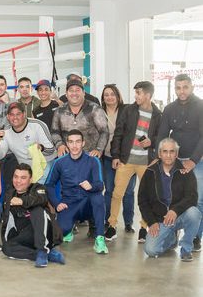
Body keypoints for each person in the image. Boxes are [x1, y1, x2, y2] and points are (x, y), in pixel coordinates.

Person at [106, 81, 161, 243]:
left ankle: (144, 228)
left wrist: (152, 141)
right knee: (117, 194)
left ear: (148, 95)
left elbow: (162, 136)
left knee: (146, 196)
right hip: (126, 160)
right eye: (135, 92)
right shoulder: (129, 110)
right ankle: (112, 225)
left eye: (139, 93)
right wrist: (115, 156)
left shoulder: (158, 115)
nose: (136, 96)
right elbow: (118, 133)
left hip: (147, 162)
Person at [156, 73, 203, 252]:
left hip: (197, 161)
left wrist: (193, 160)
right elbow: (162, 134)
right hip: (173, 161)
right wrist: (159, 156)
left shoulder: (200, 106)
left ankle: (195, 237)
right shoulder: (169, 109)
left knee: (197, 200)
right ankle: (172, 231)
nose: (181, 91)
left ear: (191, 87)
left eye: (185, 87)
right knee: (172, 197)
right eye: (178, 87)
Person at [45, 129, 108, 255]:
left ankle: (100, 238)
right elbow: (49, 185)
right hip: (69, 204)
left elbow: (100, 185)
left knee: (98, 198)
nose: (74, 145)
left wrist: (91, 186)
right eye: (71, 142)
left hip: (87, 204)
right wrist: (57, 203)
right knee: (59, 233)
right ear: (67, 144)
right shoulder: (59, 162)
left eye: (78, 142)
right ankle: (68, 230)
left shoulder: (93, 161)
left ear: (83, 143)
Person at [140, 138, 201, 262]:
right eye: (165, 151)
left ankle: (186, 249)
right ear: (160, 154)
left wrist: (175, 210)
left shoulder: (185, 171)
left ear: (176, 154)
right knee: (150, 250)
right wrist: (151, 222)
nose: (168, 155)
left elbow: (192, 197)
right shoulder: (150, 172)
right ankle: (172, 240)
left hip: (179, 215)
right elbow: (142, 200)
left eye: (172, 152)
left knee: (195, 213)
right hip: (160, 219)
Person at [0, 163, 65, 267]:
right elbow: (7, 220)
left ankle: (42, 249)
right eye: (16, 177)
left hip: (45, 233)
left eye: (23, 178)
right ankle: (45, 255)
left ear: (30, 180)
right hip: (27, 235)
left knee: (37, 209)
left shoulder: (39, 188)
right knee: (6, 248)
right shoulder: (9, 194)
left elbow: (41, 199)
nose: (18, 181)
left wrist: (22, 201)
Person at [0, 101, 55, 186]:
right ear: (8, 117)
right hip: (25, 169)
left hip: (45, 164)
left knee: (35, 191)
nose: (15, 117)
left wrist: (41, 148)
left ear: (24, 114)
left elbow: (51, 150)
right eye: (12, 114)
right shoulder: (6, 131)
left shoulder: (37, 125)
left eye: (18, 114)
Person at [100, 84, 135, 234]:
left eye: (112, 94)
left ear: (118, 96)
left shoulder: (127, 110)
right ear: (103, 98)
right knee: (109, 191)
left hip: (126, 157)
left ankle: (128, 222)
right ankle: (108, 221)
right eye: (106, 95)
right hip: (107, 156)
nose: (109, 97)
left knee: (128, 192)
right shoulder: (99, 112)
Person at [51, 78, 109, 159]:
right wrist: (59, 145)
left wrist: (99, 149)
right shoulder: (59, 111)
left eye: (77, 90)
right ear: (66, 94)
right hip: (68, 157)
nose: (74, 93)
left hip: (91, 156)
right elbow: (54, 132)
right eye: (71, 90)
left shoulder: (95, 109)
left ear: (84, 93)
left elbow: (104, 132)